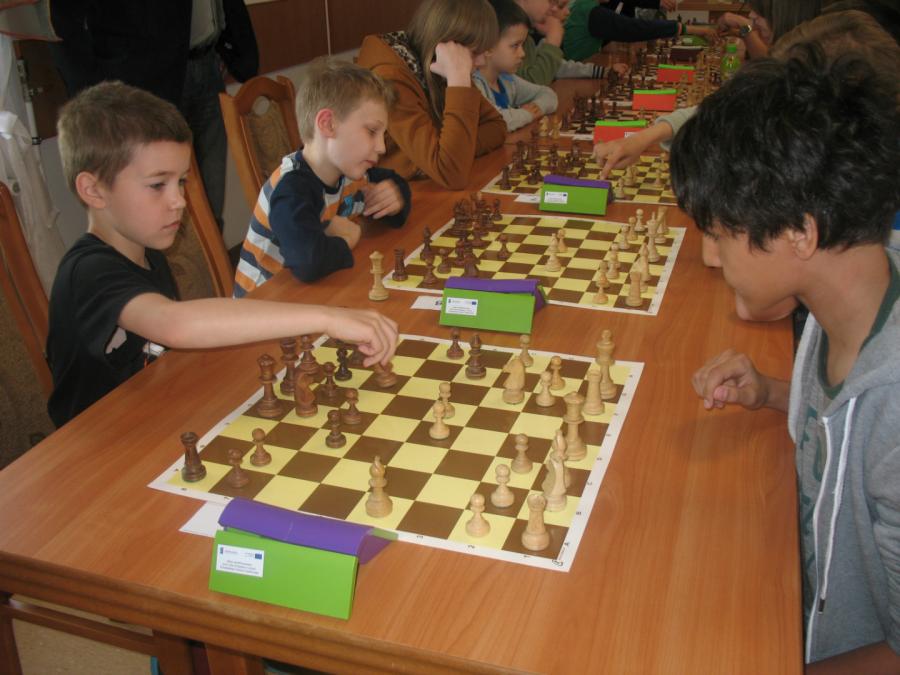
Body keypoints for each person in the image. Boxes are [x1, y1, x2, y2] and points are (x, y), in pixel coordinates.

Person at [674, 50, 900, 671]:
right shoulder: (848, 293)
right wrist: (775, 393)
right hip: (789, 590)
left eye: (720, 233)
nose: (711, 254)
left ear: (801, 233)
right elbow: (841, 416)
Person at [46, 81, 398, 428]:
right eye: (157, 185)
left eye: (181, 181)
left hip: (152, 415)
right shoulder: (88, 271)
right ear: (93, 190)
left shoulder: (145, 252)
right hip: (96, 442)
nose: (179, 200)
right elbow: (176, 324)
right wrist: (327, 318)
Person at [50, 1, 259, 229]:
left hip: (207, 64)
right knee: (153, 206)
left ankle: (213, 251)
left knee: (210, 204)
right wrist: (98, 97)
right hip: (144, 80)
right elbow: (64, 23)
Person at [233, 59, 411, 296]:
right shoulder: (291, 189)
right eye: (371, 131)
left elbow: (392, 182)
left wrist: (395, 197)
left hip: (309, 294)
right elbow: (307, 262)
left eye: (383, 135)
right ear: (328, 125)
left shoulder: (349, 172)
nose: (382, 147)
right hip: (262, 307)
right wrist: (347, 239)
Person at [356, 0, 506, 190]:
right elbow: (452, 173)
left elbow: (497, 127)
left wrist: (453, 150)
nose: (482, 62)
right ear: (444, 47)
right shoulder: (392, 78)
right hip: (390, 195)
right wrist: (458, 79)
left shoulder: (437, 65)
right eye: (475, 52)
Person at [474, 0, 559, 131]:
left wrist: (535, 108)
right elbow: (496, 121)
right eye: (515, 46)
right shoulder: (474, 84)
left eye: (522, 45)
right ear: (489, 45)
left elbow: (549, 95)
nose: (522, 53)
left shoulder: (507, 79)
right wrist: (527, 114)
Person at [513, 0, 626, 85]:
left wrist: (602, 71)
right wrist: (553, 41)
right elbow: (530, 84)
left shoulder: (528, 38)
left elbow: (557, 67)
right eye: (551, 1)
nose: (553, 8)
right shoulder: (511, 32)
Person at [562, 0, 715, 63]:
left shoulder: (585, 6)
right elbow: (636, 28)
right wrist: (690, 29)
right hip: (569, 76)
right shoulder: (593, 13)